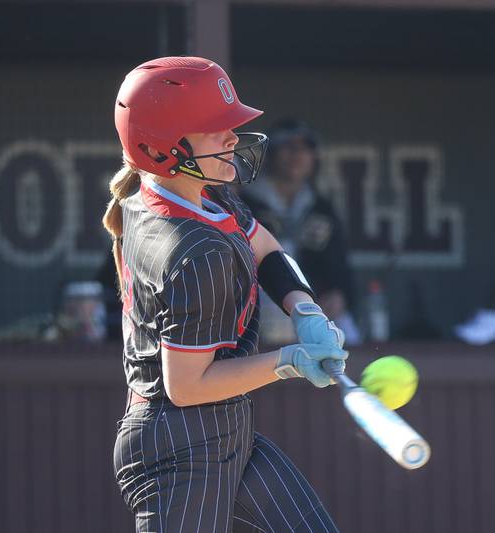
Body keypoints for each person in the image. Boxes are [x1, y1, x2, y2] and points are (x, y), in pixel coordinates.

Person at [103, 57, 348, 532]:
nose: (233, 137)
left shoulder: (197, 190)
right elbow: (188, 385)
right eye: (216, 128)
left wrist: (304, 308)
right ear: (164, 147)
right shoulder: (192, 248)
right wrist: (289, 361)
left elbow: (265, 246)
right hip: (178, 448)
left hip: (225, 431)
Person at [239, 119, 361, 345]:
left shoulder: (320, 208)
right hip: (259, 303)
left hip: (314, 303)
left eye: (305, 148)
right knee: (278, 322)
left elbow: (340, 266)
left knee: (346, 332)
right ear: (271, 154)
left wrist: (339, 295)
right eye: (288, 147)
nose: (297, 155)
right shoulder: (246, 204)